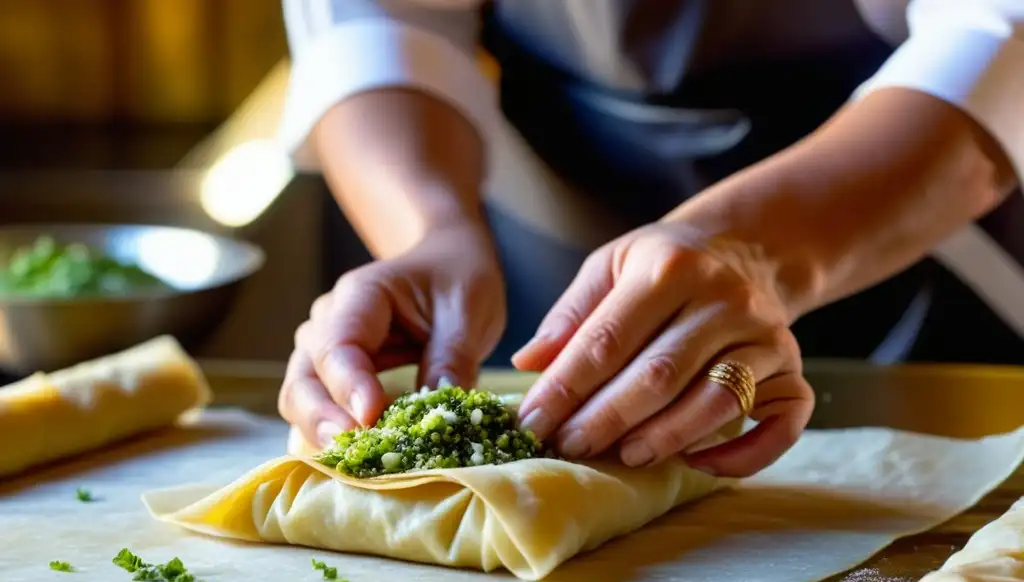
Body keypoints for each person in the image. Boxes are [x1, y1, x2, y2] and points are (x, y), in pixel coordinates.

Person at [275, 0, 1024, 478]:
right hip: (547, 234)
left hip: (927, 245)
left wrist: (752, 253)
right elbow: (380, 19)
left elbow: (998, 31)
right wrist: (426, 233)